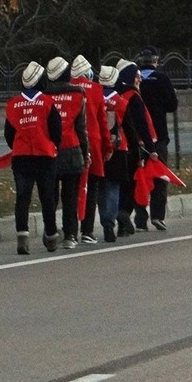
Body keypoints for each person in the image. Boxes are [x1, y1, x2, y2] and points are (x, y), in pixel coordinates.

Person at [4, 61, 62, 255]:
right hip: (45, 156)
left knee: (22, 198)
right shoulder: (47, 102)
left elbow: (8, 133)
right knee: (47, 197)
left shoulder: (13, 104)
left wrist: (18, 146)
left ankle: (22, 236)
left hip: (21, 157)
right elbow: (56, 131)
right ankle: (52, 236)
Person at [45, 57, 89, 249]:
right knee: (70, 197)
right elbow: (81, 129)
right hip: (72, 150)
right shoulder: (78, 95)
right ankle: (70, 235)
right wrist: (86, 152)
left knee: (50, 196)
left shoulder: (43, 97)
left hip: (49, 152)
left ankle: (50, 232)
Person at [69, 55, 113, 244]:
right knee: (92, 186)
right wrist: (108, 146)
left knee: (71, 188)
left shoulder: (67, 89)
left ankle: (71, 231)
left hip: (71, 143)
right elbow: (103, 122)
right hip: (93, 142)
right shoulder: (96, 90)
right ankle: (87, 230)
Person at [136, 46, 178, 231]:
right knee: (160, 174)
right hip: (158, 135)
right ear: (156, 61)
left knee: (139, 175)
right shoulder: (162, 79)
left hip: (137, 135)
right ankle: (157, 215)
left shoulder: (134, 79)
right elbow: (171, 105)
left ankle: (139, 218)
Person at [115, 59, 158, 234]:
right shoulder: (134, 98)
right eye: (137, 76)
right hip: (133, 145)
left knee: (122, 184)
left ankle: (122, 225)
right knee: (132, 184)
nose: (139, 79)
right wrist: (151, 148)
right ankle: (124, 214)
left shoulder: (118, 95)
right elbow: (142, 126)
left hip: (119, 146)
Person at [98, 66, 130, 242]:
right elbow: (129, 128)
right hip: (118, 149)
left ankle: (105, 221)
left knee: (101, 188)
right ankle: (110, 223)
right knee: (113, 188)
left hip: (98, 147)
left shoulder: (94, 99)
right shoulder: (122, 102)